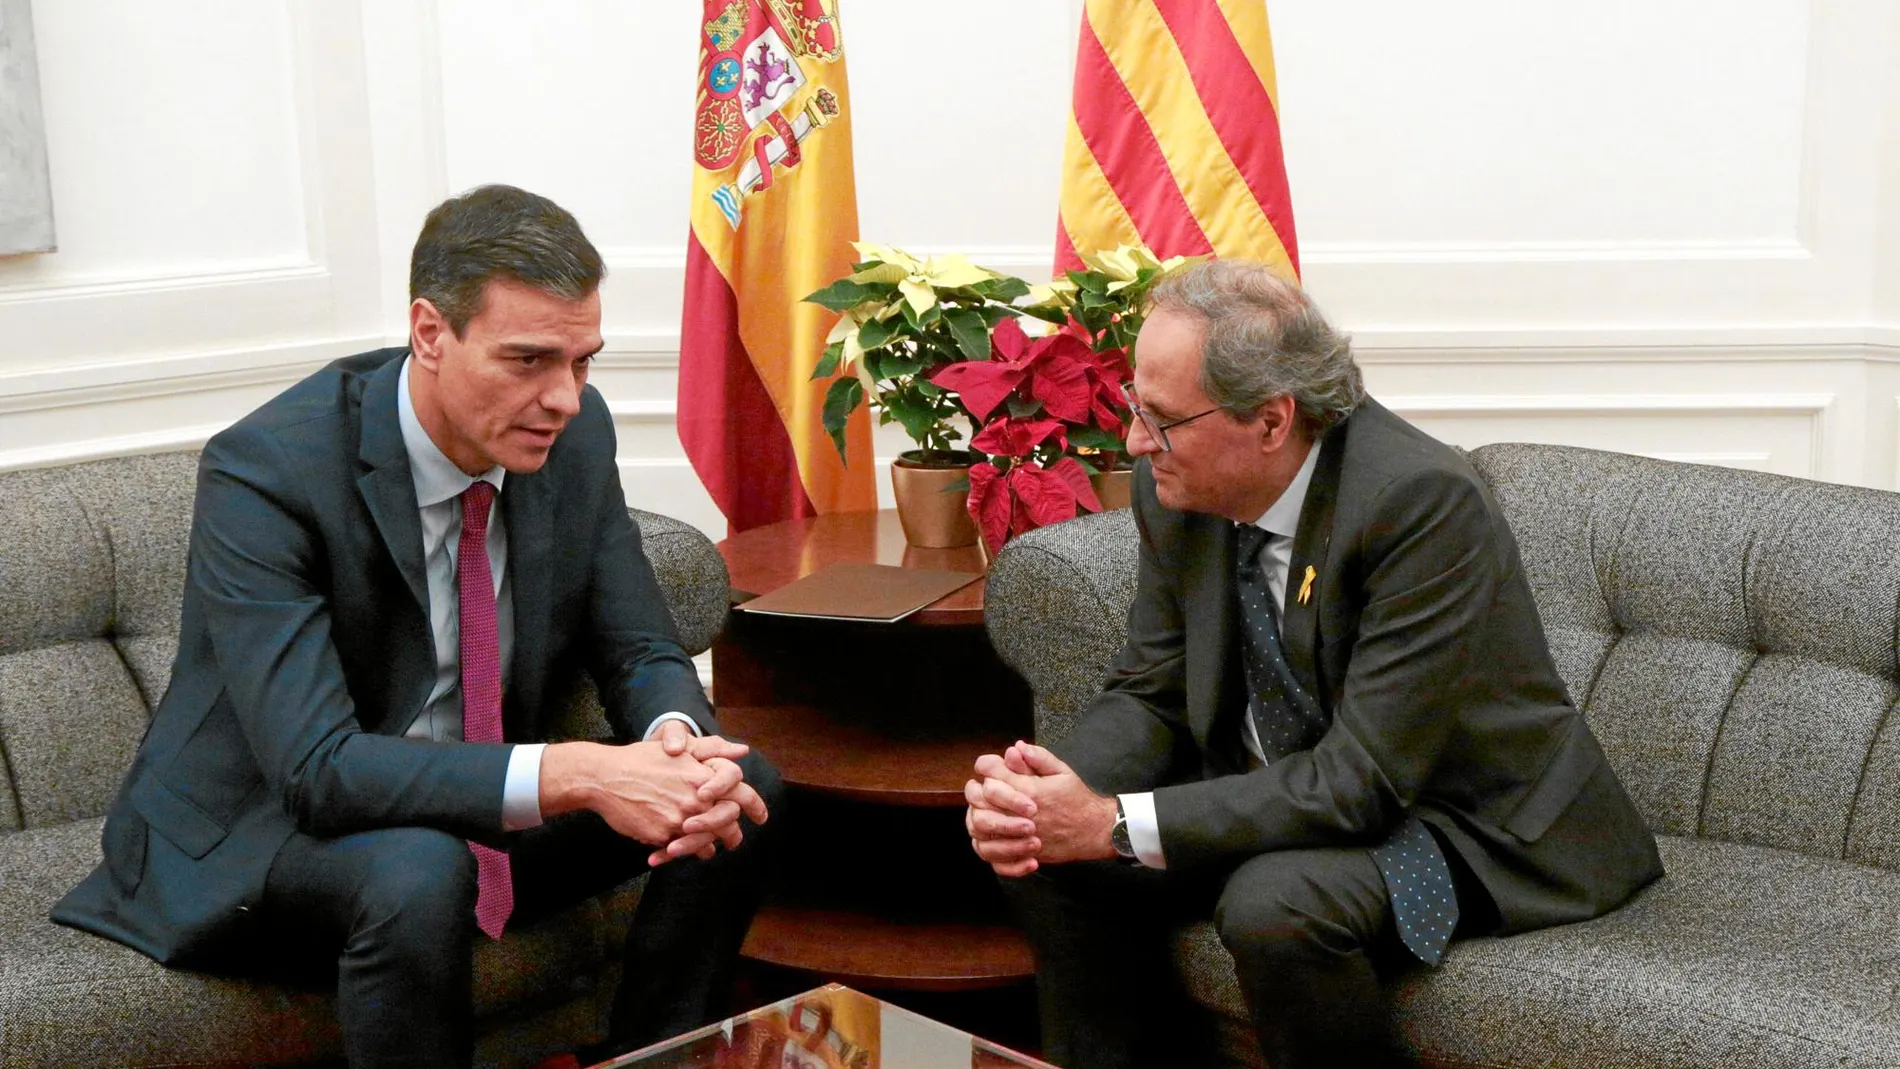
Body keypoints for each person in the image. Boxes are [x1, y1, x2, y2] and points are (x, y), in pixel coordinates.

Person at [53, 184, 781, 1069]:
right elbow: (318, 770)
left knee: (745, 790)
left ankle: (654, 1057)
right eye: (528, 360)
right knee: (417, 870)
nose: (563, 396)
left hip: (469, 810)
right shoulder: (268, 472)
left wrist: (677, 746)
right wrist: (581, 771)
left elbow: (639, 645)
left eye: (583, 360)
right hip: (269, 835)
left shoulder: (572, 437)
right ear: (431, 333)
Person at [964, 260, 1662, 1069]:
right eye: (1135, 408)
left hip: (1464, 815)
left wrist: (1115, 823)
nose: (1134, 441)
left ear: (1270, 420)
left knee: (1276, 906)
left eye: (1162, 419)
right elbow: (1152, 689)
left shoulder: (1421, 502)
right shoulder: (1177, 487)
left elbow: (1364, 780)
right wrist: (1051, 797)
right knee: (1042, 853)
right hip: (1301, 791)